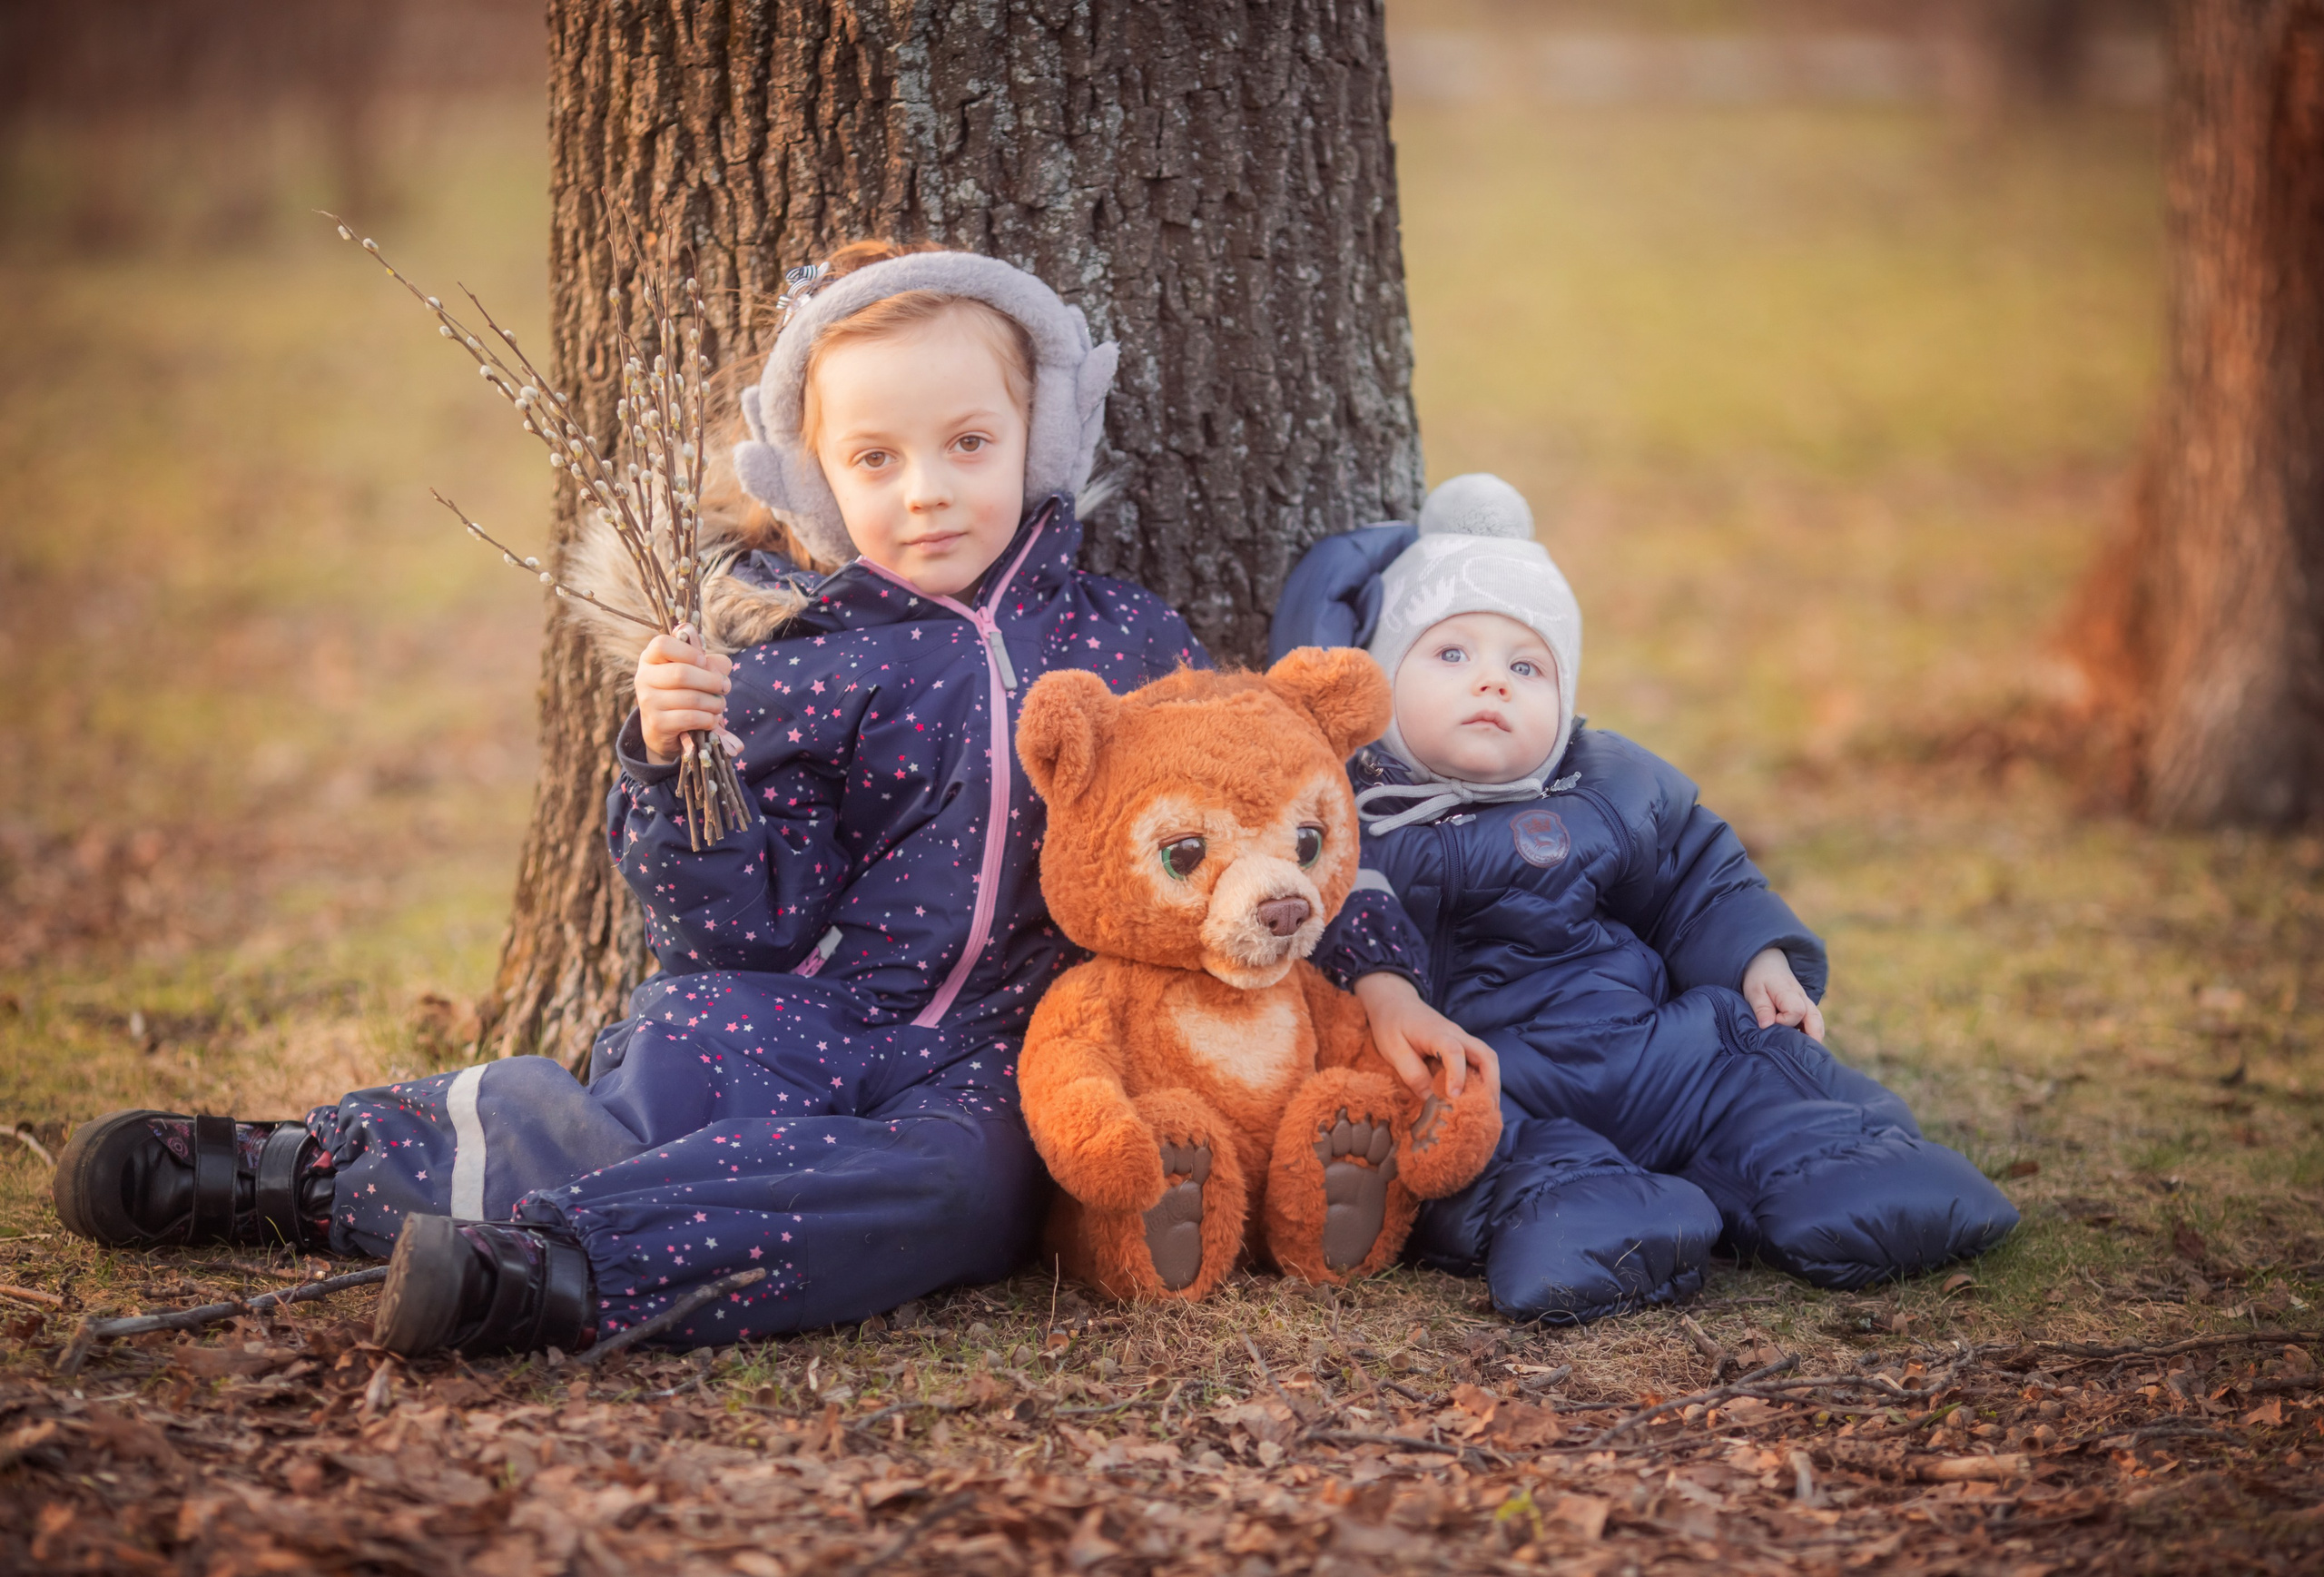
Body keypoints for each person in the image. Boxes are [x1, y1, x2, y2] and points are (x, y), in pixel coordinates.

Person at [52, 242, 1484, 1355]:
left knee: (957, 1198)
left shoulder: (1129, 644)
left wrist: (1382, 975)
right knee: (667, 1087)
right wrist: (678, 772)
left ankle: (559, 1272)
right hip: (802, 999)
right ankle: (312, 1170)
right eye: (877, 459)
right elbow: (738, 921)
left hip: (1002, 1046)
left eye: (968, 444)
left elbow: (1273, 824)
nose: (928, 490)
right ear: (816, 477)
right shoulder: (799, 662)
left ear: (1036, 439)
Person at [1269, 473, 2018, 1322]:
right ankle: (1588, 1210)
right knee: (1472, 1139)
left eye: (1527, 665)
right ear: (1380, 680)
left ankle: (1837, 1163)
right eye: (1451, 655)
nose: (1493, 684)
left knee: (1742, 1058)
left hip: (1642, 1041)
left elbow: (1698, 869)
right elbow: (1324, 931)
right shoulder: (1348, 810)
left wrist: (1756, 952)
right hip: (1490, 1067)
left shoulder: (1606, 779)